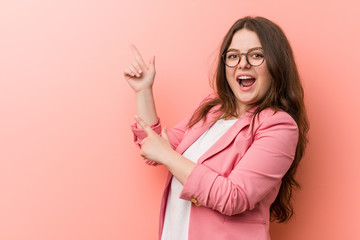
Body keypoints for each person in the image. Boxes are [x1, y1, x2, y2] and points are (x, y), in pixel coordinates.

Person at [124, 16, 309, 240]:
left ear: (276, 65)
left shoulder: (279, 126)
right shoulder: (212, 108)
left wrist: (168, 156)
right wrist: (143, 91)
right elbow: (154, 148)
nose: (243, 63)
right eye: (233, 56)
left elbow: (234, 196)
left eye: (256, 55)